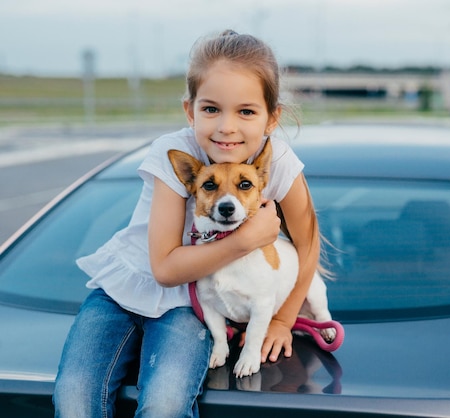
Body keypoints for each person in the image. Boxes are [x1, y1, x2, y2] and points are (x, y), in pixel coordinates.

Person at [53, 29, 321, 417]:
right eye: (211, 109)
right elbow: (163, 268)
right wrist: (246, 240)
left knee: (165, 404)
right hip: (126, 286)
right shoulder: (174, 152)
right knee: (75, 396)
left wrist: (282, 318)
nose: (226, 127)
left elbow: (308, 241)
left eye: (245, 111)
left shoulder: (275, 160)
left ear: (271, 117)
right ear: (190, 110)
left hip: (193, 301)